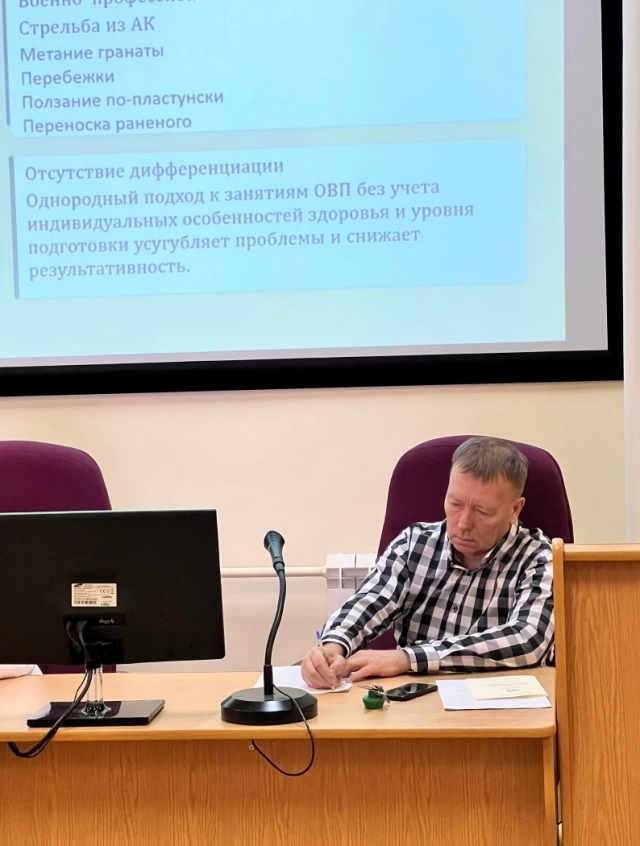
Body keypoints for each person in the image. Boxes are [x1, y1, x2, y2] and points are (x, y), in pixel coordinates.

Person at [301, 436, 554, 689]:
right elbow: (371, 599)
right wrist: (333, 646)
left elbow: (528, 639)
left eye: (482, 511)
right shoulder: (415, 543)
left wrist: (408, 659)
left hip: (500, 701)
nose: (463, 523)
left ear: (515, 509)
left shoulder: (539, 557)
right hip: (413, 701)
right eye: (455, 504)